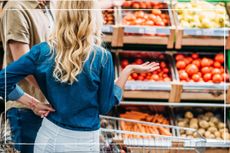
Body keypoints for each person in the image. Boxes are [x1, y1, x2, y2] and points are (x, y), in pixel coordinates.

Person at [0, 1, 159, 152]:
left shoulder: (42, 51)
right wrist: (127, 71)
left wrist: (33, 103)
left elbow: (3, 80)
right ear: (93, 18)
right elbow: (105, 105)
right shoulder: (102, 57)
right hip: (82, 142)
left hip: (48, 135)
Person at [0, 0, 54, 152]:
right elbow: (24, 64)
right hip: (26, 108)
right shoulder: (15, 8)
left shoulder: (46, 7)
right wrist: (56, 93)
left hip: (46, 106)